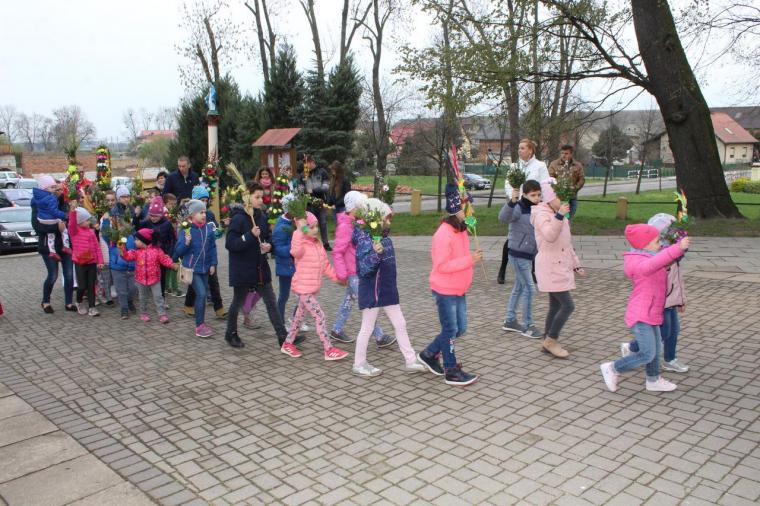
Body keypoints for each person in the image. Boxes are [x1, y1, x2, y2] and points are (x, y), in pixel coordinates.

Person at [600, 224, 690, 393]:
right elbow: (658, 261)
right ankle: (612, 368)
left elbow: (663, 258)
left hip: (651, 313)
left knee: (656, 350)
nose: (660, 244)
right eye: (657, 241)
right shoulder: (640, 263)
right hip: (641, 315)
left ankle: (653, 380)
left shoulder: (648, 256)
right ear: (645, 245)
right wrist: (677, 248)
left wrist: (679, 247)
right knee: (648, 353)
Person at [351, 198, 426, 376]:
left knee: (400, 323)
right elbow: (364, 268)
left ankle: (410, 360)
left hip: (387, 289)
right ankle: (359, 364)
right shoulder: (365, 239)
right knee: (367, 327)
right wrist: (376, 254)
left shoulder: (385, 239)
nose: (389, 222)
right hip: (373, 291)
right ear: (375, 219)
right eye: (386, 218)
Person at [417, 183, 481, 386]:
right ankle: (451, 371)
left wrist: (470, 215)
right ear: (456, 210)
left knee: (459, 328)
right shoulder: (443, 234)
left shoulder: (461, 229)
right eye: (466, 208)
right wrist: (470, 260)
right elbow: (442, 265)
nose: (470, 211)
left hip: (459, 289)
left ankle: (429, 354)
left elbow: (470, 225)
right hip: (445, 290)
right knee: (450, 330)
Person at [224, 182, 292, 349]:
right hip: (243, 269)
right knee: (237, 302)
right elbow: (230, 243)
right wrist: (249, 235)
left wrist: (269, 246)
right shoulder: (238, 218)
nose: (261, 200)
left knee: (271, 301)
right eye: (257, 197)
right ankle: (231, 333)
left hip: (260, 268)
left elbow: (267, 237)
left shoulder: (261, 216)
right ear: (247, 198)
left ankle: (283, 336)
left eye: (262, 197)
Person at [621, 213, 690, 373]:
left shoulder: (666, 252)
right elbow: (661, 260)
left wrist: (680, 300)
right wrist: (677, 248)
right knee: (663, 333)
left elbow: (676, 280)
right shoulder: (655, 257)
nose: (675, 234)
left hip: (670, 299)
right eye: (670, 231)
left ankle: (669, 360)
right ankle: (632, 348)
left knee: (673, 331)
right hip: (659, 302)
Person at [280, 211, 349, 361]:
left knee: (299, 317)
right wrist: (300, 230)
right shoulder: (300, 243)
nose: (315, 230)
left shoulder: (317, 244)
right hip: (303, 289)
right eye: (311, 227)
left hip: (311, 288)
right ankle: (328, 349)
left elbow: (325, 266)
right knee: (320, 315)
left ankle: (287, 343)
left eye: (316, 226)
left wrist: (338, 279)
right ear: (303, 227)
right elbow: (295, 252)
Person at [331, 191, 395, 347]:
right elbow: (337, 252)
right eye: (361, 207)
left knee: (348, 300)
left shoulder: (358, 222)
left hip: (359, 269)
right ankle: (379, 336)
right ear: (353, 208)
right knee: (368, 305)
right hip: (353, 272)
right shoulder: (345, 227)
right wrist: (342, 274)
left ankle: (336, 330)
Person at [531, 178, 585, 358]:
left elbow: (566, 243)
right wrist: (559, 216)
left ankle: (547, 341)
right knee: (568, 305)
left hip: (560, 264)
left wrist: (576, 264)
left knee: (555, 305)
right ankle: (551, 340)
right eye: (558, 197)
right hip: (550, 267)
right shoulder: (541, 214)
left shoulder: (557, 211)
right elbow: (550, 235)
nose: (563, 201)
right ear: (549, 198)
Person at [497, 138, 550, 284]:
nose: (519, 151)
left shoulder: (540, 166)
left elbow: (545, 185)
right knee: (512, 238)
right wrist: (515, 197)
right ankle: (502, 269)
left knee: (534, 238)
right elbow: (508, 183)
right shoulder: (515, 166)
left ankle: (533, 270)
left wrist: (541, 201)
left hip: (534, 206)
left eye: (522, 148)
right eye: (519, 148)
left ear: (530, 150)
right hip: (518, 205)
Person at [499, 180, 543, 338]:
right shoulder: (518, 207)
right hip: (517, 254)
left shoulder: (538, 207)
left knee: (519, 287)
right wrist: (512, 201)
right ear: (524, 194)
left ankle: (510, 320)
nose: (537, 198)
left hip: (529, 253)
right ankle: (528, 325)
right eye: (533, 195)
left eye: (539, 195)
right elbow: (503, 218)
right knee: (529, 289)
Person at [31, 179, 76, 313]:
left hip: (65, 245)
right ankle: (45, 302)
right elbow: (37, 227)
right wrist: (57, 227)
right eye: (56, 189)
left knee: (69, 275)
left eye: (61, 189)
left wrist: (71, 217)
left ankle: (69, 303)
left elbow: (71, 223)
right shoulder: (39, 204)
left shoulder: (64, 203)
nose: (59, 191)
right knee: (53, 275)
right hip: (48, 246)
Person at [175, 199, 218, 338]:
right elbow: (178, 251)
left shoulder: (208, 229)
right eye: (200, 212)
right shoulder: (186, 230)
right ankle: (199, 326)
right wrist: (186, 242)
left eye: (205, 212)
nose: (204, 215)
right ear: (192, 215)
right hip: (192, 269)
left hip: (205, 268)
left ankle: (201, 322)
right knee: (202, 294)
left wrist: (213, 263)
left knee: (202, 296)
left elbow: (212, 248)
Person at [182, 186, 226, 320]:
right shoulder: (189, 218)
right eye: (202, 200)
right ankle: (188, 306)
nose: (205, 203)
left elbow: (215, 231)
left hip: (209, 255)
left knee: (214, 282)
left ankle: (219, 309)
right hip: (196, 258)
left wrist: (220, 230)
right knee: (194, 284)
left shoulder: (209, 214)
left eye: (206, 200)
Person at [120, 228, 177, 324]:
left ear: (144, 241)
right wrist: (122, 250)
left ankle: (162, 314)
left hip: (155, 279)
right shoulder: (136, 252)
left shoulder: (157, 251)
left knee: (158, 297)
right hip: (141, 280)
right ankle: (143, 313)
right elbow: (127, 257)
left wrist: (172, 264)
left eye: (137, 240)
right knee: (143, 298)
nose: (135, 241)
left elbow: (164, 260)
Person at [68, 204, 104, 317]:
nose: (89, 222)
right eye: (86, 220)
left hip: (92, 262)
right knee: (82, 286)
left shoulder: (91, 232)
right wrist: (72, 212)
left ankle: (92, 307)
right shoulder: (74, 231)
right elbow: (71, 223)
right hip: (80, 262)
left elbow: (97, 247)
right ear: (79, 221)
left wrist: (100, 261)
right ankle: (78, 302)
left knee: (91, 285)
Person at [139, 196, 176, 300]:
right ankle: (150, 294)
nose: (153, 218)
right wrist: (136, 216)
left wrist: (169, 253)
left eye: (156, 216)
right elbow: (138, 232)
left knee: (162, 277)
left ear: (161, 215)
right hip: (150, 255)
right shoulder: (146, 222)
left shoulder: (167, 223)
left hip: (162, 254)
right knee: (151, 274)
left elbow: (172, 239)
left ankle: (162, 298)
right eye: (151, 215)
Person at [32, 175, 72, 261]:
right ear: (45, 188)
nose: (60, 192)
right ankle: (66, 246)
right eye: (54, 188)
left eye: (62, 189)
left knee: (50, 234)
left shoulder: (38, 197)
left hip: (42, 219)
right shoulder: (51, 198)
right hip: (50, 221)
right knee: (64, 230)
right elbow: (54, 211)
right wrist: (65, 215)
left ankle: (52, 251)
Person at [298, 157, 331, 250]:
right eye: (304, 164)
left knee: (323, 223)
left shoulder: (322, 172)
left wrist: (314, 190)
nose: (305, 166)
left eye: (307, 164)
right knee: (310, 224)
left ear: (312, 162)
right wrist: (305, 190)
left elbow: (326, 186)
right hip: (308, 204)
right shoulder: (303, 174)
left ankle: (326, 243)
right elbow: (300, 188)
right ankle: (311, 243)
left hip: (320, 202)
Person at [548, 145, 586, 219]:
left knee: (568, 219)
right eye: (562, 153)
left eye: (566, 153)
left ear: (571, 154)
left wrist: (574, 188)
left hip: (572, 197)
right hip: (557, 197)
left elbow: (582, 179)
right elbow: (550, 178)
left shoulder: (578, 165)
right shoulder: (554, 164)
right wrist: (557, 188)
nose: (563, 155)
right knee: (557, 218)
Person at [97, 191, 117, 306]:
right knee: (106, 275)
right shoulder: (104, 216)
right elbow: (104, 234)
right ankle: (107, 296)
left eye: (112, 200)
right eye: (108, 200)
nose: (110, 202)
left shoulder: (120, 213)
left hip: (117, 247)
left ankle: (116, 292)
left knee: (116, 272)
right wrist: (105, 221)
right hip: (106, 247)